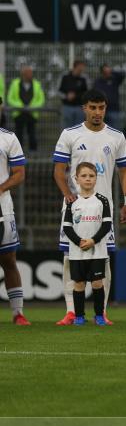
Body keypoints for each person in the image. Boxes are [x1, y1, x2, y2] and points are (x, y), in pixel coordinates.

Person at [53, 89, 126, 326]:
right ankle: (71, 312)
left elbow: (125, 170)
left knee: (103, 258)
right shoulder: (69, 134)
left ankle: (102, 312)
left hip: (103, 210)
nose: (97, 112)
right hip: (75, 210)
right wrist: (68, 195)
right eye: (93, 108)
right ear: (84, 108)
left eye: (101, 108)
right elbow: (58, 171)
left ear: (105, 108)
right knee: (70, 258)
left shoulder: (116, 136)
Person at [62, 163, 113, 326]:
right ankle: (79, 316)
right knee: (79, 284)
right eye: (84, 176)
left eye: (91, 176)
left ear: (96, 179)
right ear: (76, 178)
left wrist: (92, 241)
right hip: (77, 252)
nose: (88, 179)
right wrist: (79, 242)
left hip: (97, 250)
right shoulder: (71, 201)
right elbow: (67, 227)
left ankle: (99, 315)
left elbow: (106, 226)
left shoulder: (102, 201)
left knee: (97, 283)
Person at [0, 117, 28, 325]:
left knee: (9, 260)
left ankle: (18, 313)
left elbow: (19, 173)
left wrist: (0, 188)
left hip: (3, 209)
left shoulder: (8, 138)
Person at [7, 65, 44, 152]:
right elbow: (10, 98)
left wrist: (32, 107)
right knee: (19, 135)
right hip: (19, 113)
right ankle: (18, 154)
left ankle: (33, 154)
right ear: (23, 74)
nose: (31, 75)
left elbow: (41, 99)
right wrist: (20, 106)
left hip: (32, 113)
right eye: (29, 73)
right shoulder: (15, 83)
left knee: (32, 134)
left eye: (31, 73)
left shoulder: (36, 84)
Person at [92, 65, 125, 131]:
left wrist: (112, 71)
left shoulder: (114, 79)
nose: (108, 72)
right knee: (101, 130)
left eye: (108, 70)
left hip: (113, 109)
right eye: (105, 71)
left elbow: (122, 75)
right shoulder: (98, 82)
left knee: (115, 131)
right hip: (101, 110)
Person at [59, 60, 88, 129]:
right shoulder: (65, 77)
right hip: (67, 107)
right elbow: (59, 91)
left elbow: (86, 93)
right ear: (76, 67)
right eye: (81, 67)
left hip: (79, 108)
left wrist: (76, 96)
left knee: (79, 130)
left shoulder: (83, 79)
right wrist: (66, 96)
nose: (82, 69)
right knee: (66, 130)